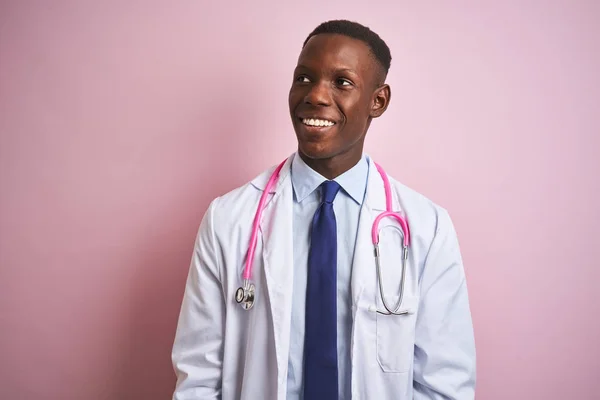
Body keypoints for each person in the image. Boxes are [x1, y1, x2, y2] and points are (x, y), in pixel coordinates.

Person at [172, 20, 476, 400]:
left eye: (342, 82)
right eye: (303, 78)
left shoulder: (428, 228)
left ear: (377, 101)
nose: (315, 95)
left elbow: (444, 384)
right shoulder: (228, 219)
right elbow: (199, 380)